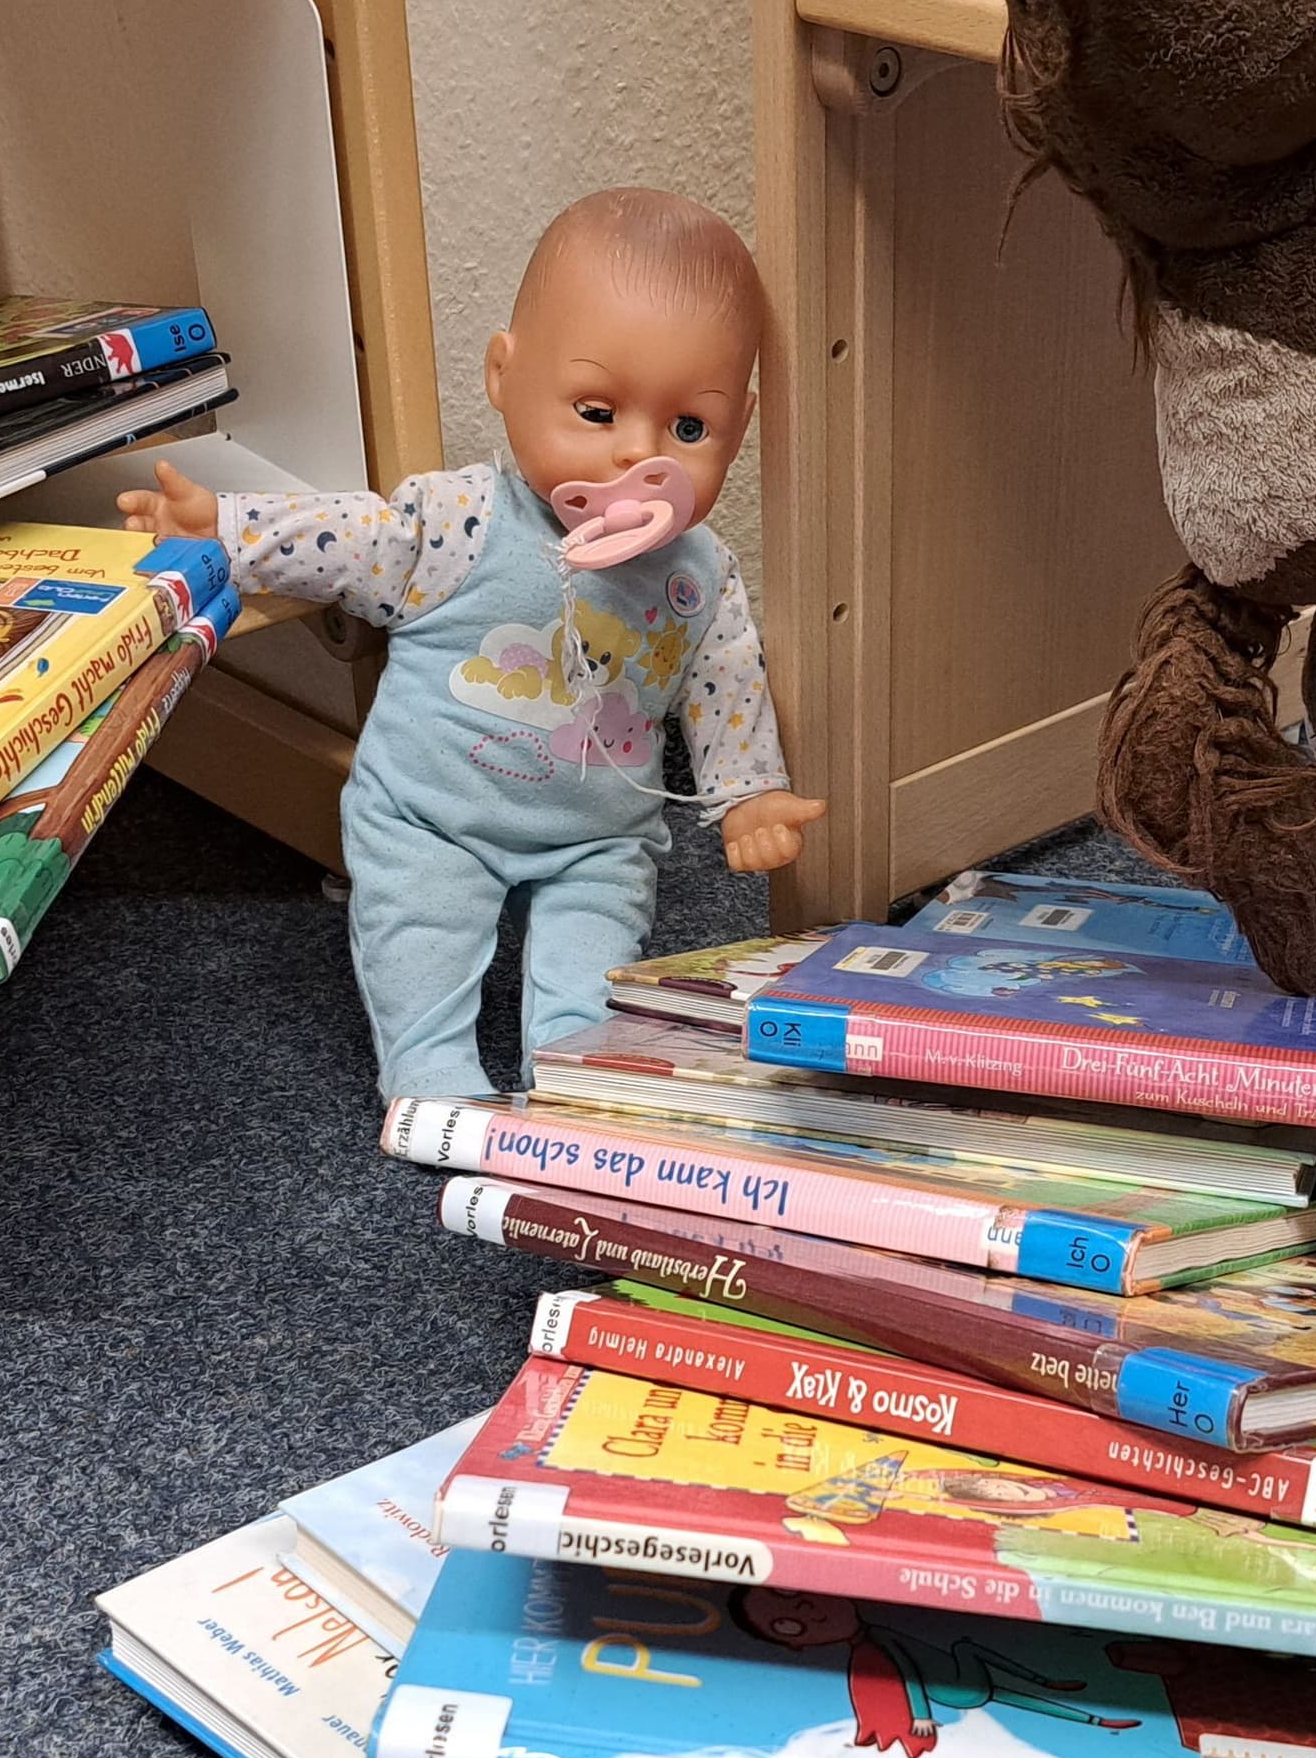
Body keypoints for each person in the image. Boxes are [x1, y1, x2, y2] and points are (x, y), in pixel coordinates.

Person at [121, 187, 822, 1101]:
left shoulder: (700, 572)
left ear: (743, 425)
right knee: (424, 936)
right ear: (504, 377)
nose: (636, 457)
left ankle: (575, 1070)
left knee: (594, 982)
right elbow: (347, 536)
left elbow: (727, 682)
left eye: (690, 428)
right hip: (431, 813)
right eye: (598, 412)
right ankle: (431, 1072)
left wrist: (749, 797)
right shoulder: (461, 521)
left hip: (597, 838)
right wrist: (226, 527)